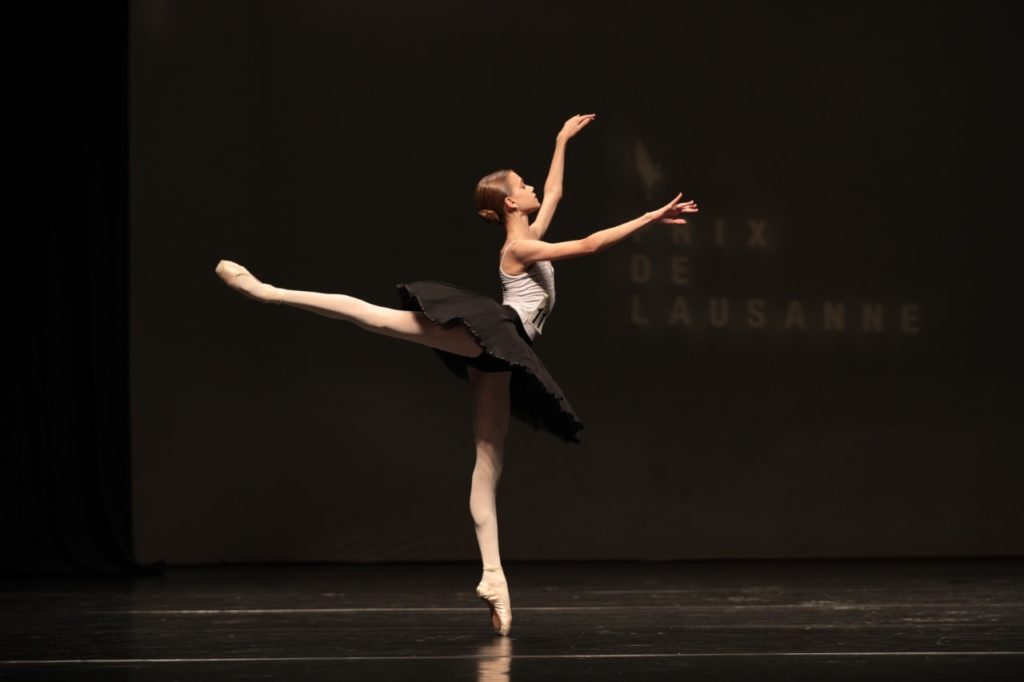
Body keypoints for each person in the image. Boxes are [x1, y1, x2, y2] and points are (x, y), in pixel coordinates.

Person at [214, 113, 698, 636]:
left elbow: (555, 191)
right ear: (510, 201)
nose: (533, 187)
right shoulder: (519, 247)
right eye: (523, 184)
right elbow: (589, 246)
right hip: (495, 333)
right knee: (378, 318)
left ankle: (493, 577)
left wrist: (561, 141)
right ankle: (267, 291)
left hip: (502, 351)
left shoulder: (527, 233)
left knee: (489, 462)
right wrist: (650, 216)